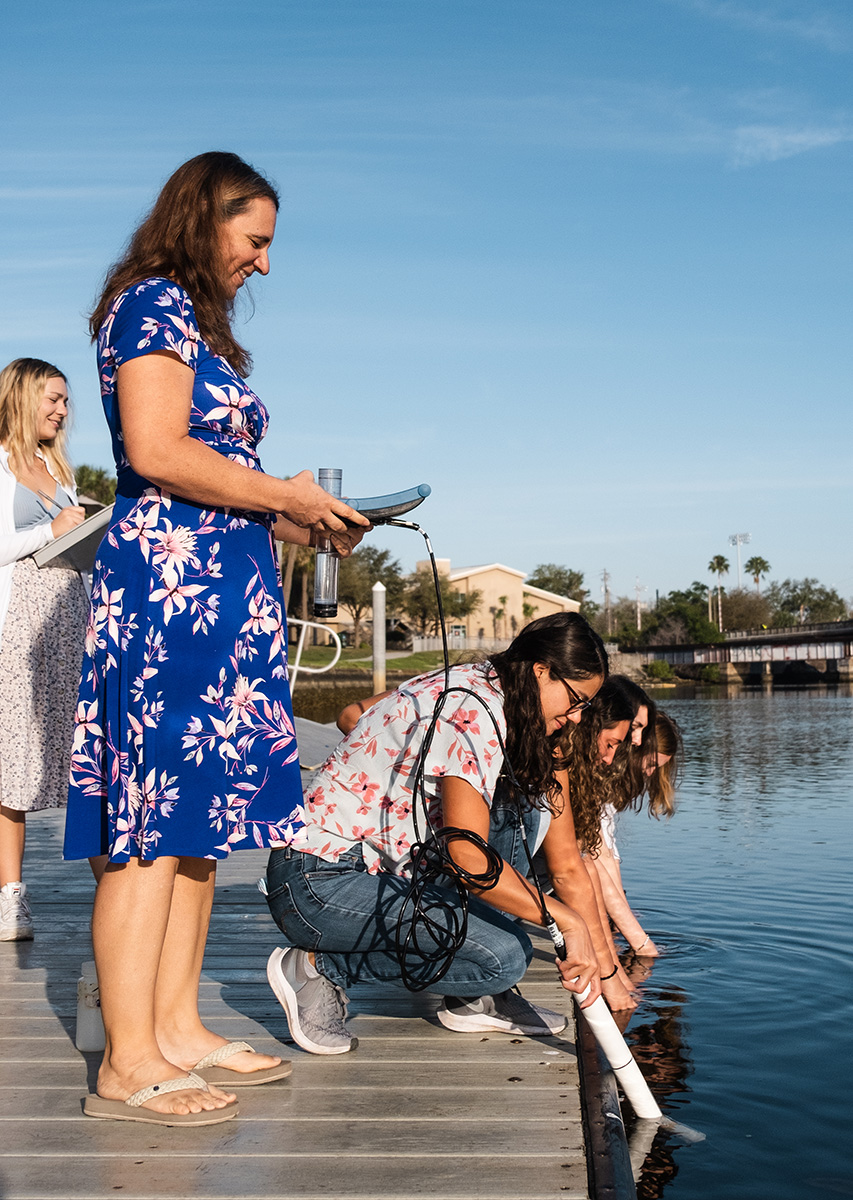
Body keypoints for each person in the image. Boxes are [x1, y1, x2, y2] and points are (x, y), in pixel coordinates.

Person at [63, 151, 369, 1125]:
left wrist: (295, 519)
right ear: (206, 220)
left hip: (222, 591)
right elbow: (156, 453)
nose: (265, 264)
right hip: (168, 596)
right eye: (257, 241)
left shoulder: (195, 323)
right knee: (152, 833)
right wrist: (282, 490)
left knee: (200, 832)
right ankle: (126, 1061)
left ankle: (176, 1027)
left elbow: (214, 471)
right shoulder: (148, 303)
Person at [264, 612, 608, 1054]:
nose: (577, 718)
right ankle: (319, 967)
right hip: (318, 880)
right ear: (542, 671)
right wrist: (566, 919)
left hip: (377, 872)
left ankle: (472, 998)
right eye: (576, 700)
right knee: (505, 957)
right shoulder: (474, 709)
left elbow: (356, 715)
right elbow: (467, 860)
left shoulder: (481, 684)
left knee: (516, 808)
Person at [0, 359, 88, 940]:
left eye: (63, 401)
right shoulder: (2, 464)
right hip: (17, 629)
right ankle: (10, 898)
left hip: (67, 624)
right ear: (23, 397)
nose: (60, 410)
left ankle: (116, 884)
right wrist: (50, 533)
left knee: (77, 756)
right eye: (51, 399)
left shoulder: (57, 469)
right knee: (14, 761)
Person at [589, 711, 682, 958]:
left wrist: (622, 913)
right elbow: (594, 857)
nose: (651, 773)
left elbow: (607, 850)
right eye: (651, 764)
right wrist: (642, 944)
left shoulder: (608, 784)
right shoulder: (590, 775)